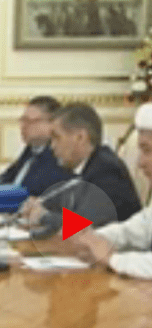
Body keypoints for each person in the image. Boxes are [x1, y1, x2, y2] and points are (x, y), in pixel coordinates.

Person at [22, 103, 141, 233]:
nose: (52, 146)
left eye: (56, 137)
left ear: (80, 137)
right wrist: (42, 205)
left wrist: (43, 216)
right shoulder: (88, 166)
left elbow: (84, 227)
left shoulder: (107, 170)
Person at [65, 103, 152, 279]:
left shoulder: (105, 168)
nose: (140, 162)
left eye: (147, 150)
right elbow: (137, 229)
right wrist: (92, 238)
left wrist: (112, 259)